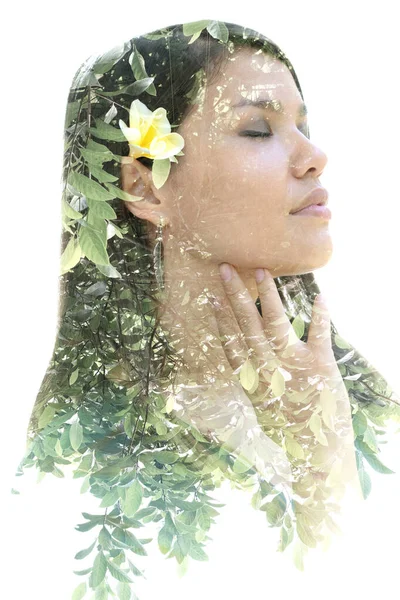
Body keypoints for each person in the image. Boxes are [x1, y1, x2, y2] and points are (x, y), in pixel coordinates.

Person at [16, 19, 400, 598]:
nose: (314, 156)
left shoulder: (372, 410)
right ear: (145, 188)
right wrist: (321, 476)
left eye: (302, 126)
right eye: (256, 129)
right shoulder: (82, 460)